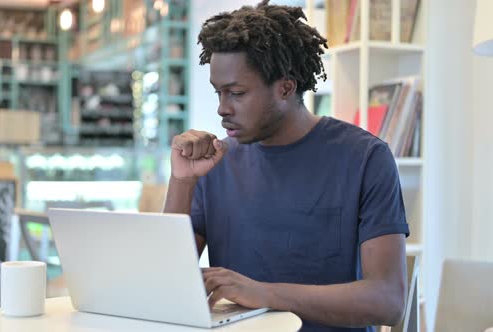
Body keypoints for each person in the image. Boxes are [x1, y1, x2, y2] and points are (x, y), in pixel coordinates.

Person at [163, 1, 409, 331]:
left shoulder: (365, 158)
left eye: (235, 93)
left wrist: (264, 293)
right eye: (218, 93)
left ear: (285, 87)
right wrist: (182, 182)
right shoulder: (214, 163)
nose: (222, 108)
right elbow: (165, 284)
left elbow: (388, 301)